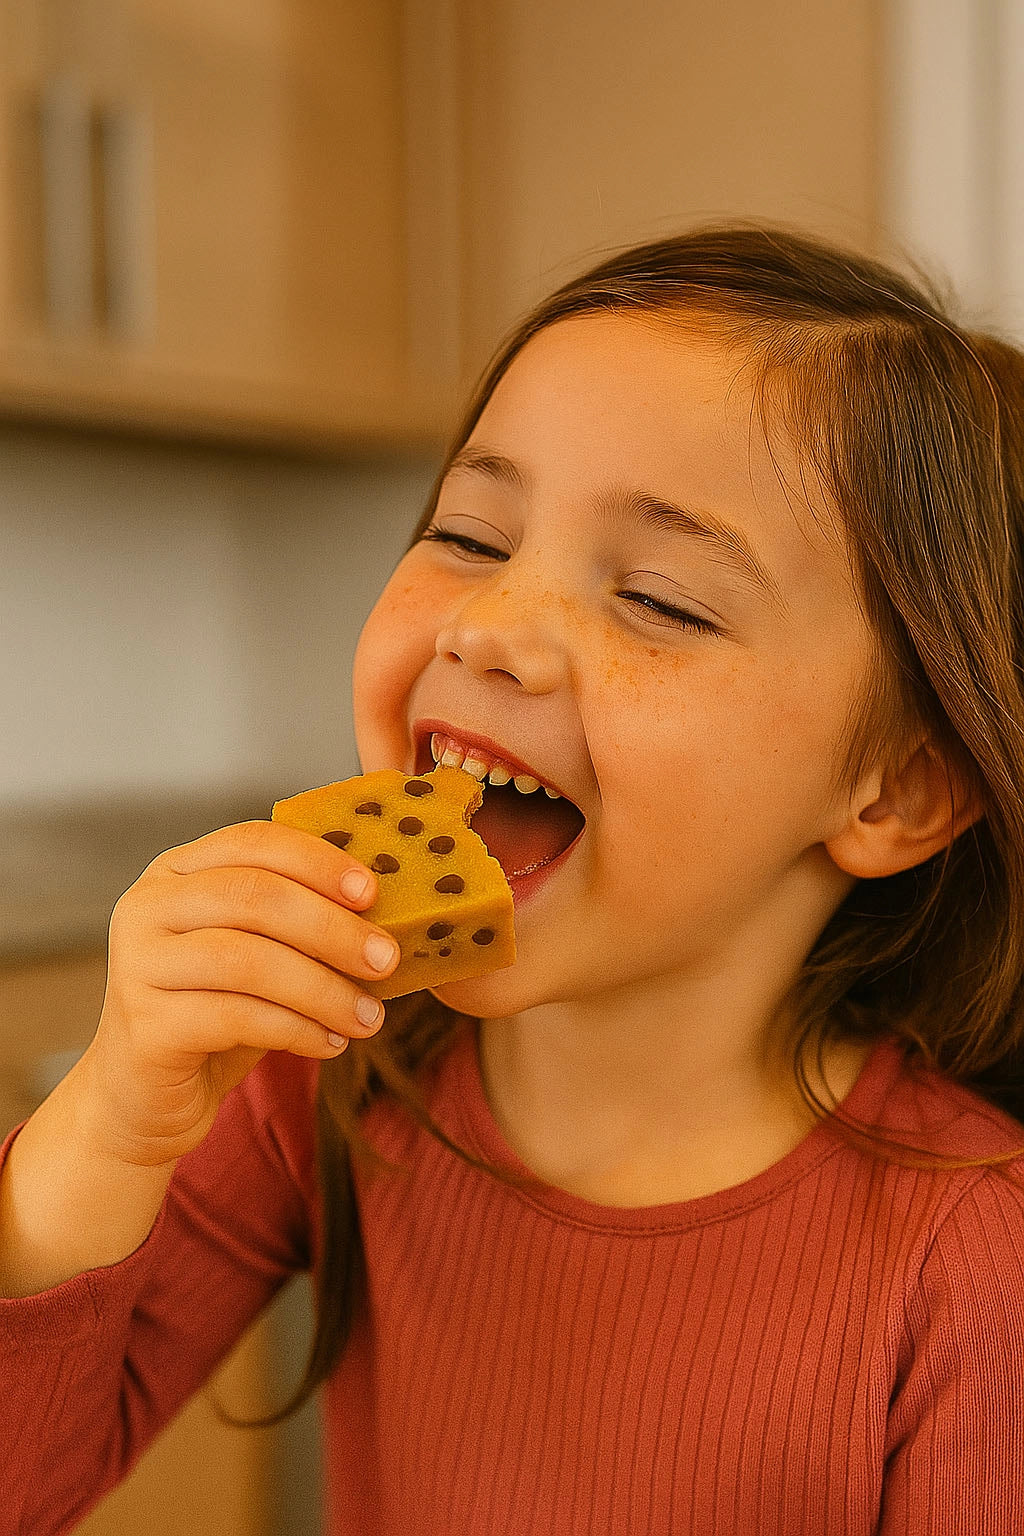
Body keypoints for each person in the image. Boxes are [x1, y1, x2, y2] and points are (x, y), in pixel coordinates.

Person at [4, 223, 1024, 1536]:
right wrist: (110, 1123)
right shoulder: (324, 1077)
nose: (490, 626)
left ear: (893, 792)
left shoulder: (976, 1258)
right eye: (472, 534)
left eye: (660, 598)